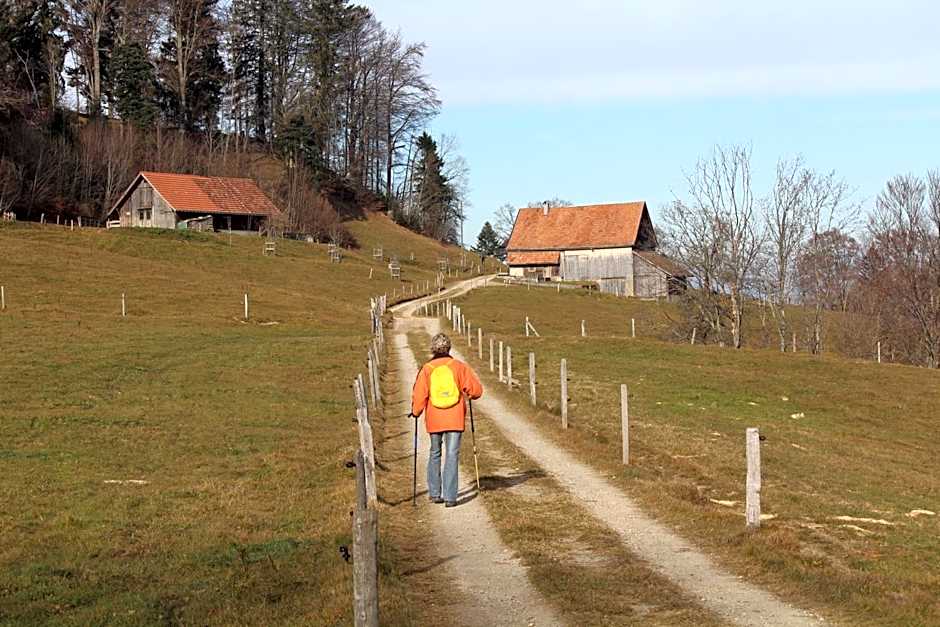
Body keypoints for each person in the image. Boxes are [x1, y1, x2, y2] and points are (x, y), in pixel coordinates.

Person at [411, 333, 483, 507]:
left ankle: (435, 493)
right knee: (452, 455)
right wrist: (470, 394)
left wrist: (415, 412)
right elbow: (476, 391)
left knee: (435, 452)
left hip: (434, 419)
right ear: (449, 348)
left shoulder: (427, 369)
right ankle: (451, 497)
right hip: (455, 418)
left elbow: (420, 394)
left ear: (433, 349)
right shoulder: (459, 367)